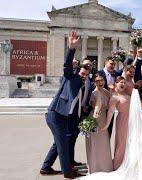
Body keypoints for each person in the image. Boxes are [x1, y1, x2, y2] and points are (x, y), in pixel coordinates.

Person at [40, 30, 86, 178]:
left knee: (58, 143)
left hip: (64, 117)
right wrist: (71, 48)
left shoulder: (82, 84)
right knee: (63, 145)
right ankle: (68, 172)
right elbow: (67, 66)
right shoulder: (70, 77)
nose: (84, 76)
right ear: (77, 71)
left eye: (86, 74)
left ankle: (46, 167)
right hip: (56, 113)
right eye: (82, 73)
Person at [86, 74, 113, 174]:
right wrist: (96, 112)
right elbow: (97, 105)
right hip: (94, 119)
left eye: (101, 80)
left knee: (103, 143)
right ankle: (94, 167)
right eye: (97, 81)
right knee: (94, 144)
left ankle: (105, 166)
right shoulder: (95, 93)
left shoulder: (106, 91)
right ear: (94, 82)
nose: (100, 83)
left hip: (103, 120)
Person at [103, 76, 131, 170]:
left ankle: (129, 162)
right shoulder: (114, 97)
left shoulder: (128, 93)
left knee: (130, 142)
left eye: (124, 82)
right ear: (116, 84)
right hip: (122, 120)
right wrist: (106, 125)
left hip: (132, 120)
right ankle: (118, 164)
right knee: (122, 143)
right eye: (120, 82)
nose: (123, 84)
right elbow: (111, 112)